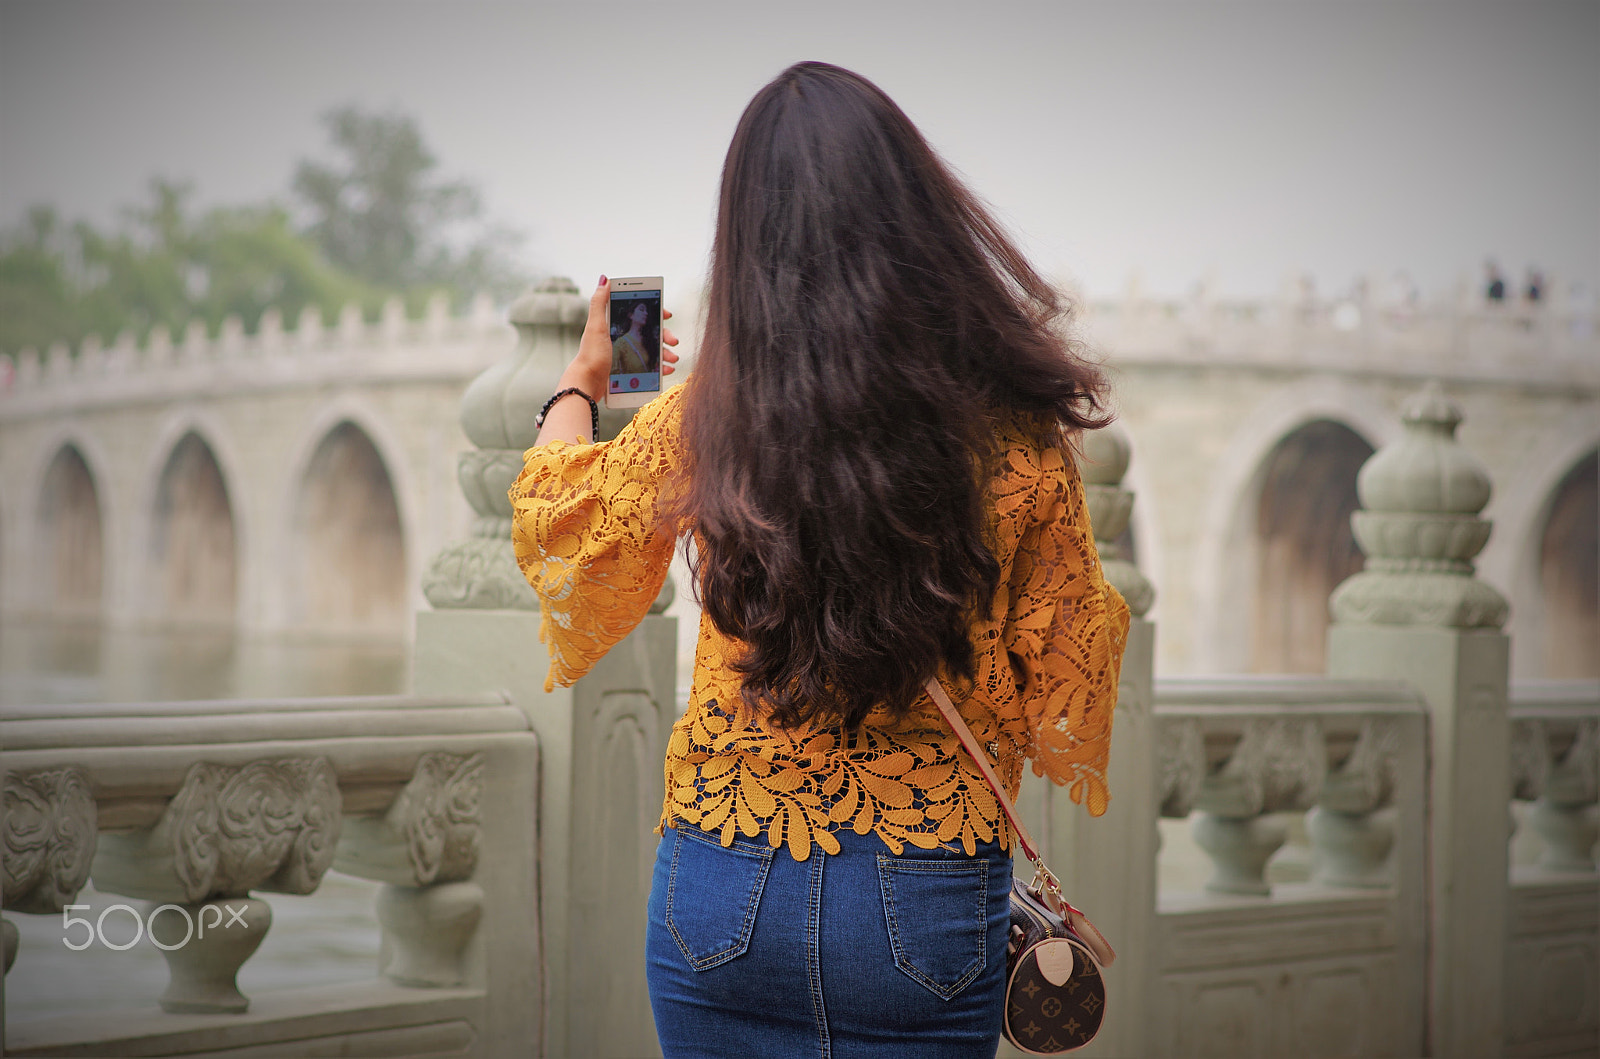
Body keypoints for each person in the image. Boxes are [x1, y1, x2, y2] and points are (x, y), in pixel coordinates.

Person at [511, 61, 1129, 1059]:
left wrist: (581, 385)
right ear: (918, 220)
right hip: (924, 895)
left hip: (720, 879)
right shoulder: (1016, 436)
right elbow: (1064, 669)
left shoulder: (705, 419)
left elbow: (563, 535)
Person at [612, 298, 655, 374]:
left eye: (646, 311)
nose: (646, 313)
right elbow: (613, 371)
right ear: (631, 315)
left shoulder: (648, 340)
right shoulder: (621, 343)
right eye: (642, 310)